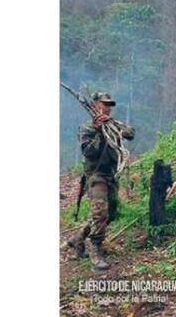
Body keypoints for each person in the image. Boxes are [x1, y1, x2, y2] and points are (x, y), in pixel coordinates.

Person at [66, 92, 135, 270]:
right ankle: (95, 249)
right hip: (96, 175)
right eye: (104, 104)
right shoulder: (87, 128)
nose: (108, 108)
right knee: (100, 212)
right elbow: (89, 152)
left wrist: (118, 128)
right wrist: (98, 131)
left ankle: (78, 238)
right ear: (95, 105)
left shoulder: (112, 124)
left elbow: (130, 133)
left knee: (109, 213)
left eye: (110, 105)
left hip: (111, 174)